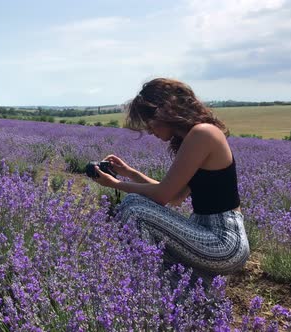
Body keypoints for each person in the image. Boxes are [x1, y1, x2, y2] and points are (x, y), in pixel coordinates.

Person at [91, 78, 250, 283]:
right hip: (206, 234)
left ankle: (146, 287)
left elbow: (162, 196)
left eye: (150, 122)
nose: (149, 130)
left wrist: (115, 184)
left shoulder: (203, 134)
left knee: (134, 208)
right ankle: (169, 292)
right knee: (136, 205)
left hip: (223, 241)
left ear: (165, 112)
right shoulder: (194, 137)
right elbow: (175, 195)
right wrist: (129, 172)